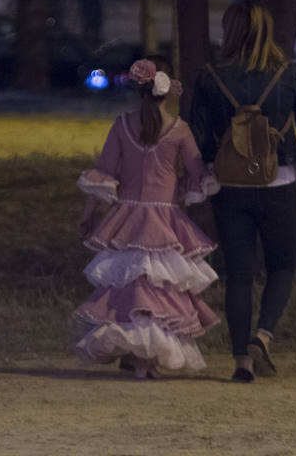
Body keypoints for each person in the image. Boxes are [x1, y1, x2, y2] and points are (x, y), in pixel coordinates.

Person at [190, 0, 296, 383]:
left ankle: (240, 364)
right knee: (282, 265)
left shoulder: (209, 76)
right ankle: (262, 337)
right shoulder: (288, 74)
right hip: (278, 180)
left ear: (229, 31)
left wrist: (206, 170)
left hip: (229, 183)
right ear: (268, 31)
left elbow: (197, 133)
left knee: (239, 274)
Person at [72, 58, 221, 380]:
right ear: (168, 92)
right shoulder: (180, 129)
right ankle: (145, 359)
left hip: (126, 217)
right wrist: (185, 186)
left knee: (129, 288)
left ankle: (137, 353)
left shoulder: (123, 123)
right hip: (164, 219)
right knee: (158, 290)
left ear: (138, 91)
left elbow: (105, 173)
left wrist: (87, 215)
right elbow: (197, 174)